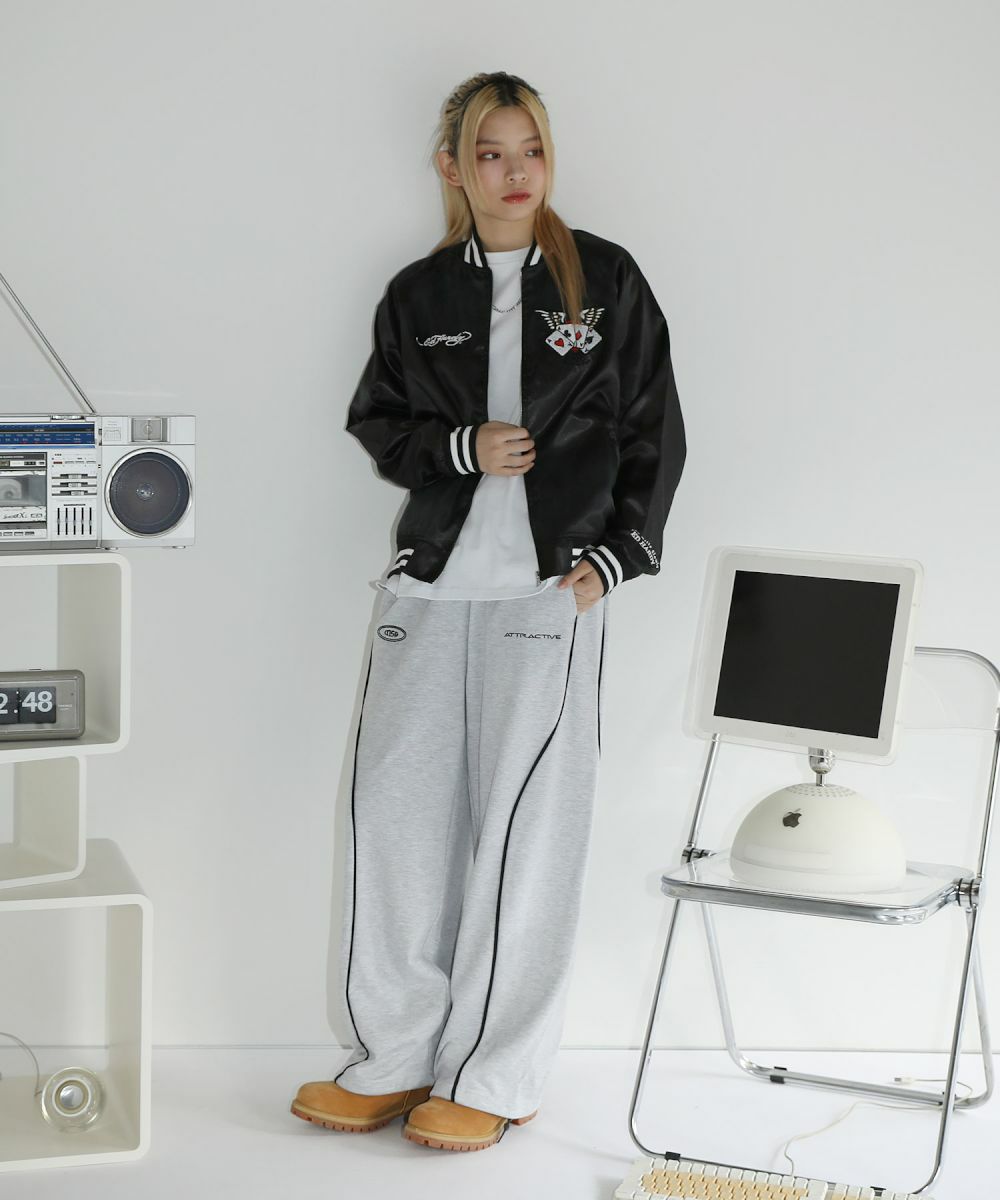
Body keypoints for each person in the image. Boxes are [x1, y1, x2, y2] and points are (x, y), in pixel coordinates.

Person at [291, 70, 686, 1153]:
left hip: (548, 594)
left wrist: (619, 556)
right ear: (453, 167)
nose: (514, 173)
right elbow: (379, 421)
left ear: (549, 158)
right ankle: (395, 1059)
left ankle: (496, 1074)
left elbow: (654, 428)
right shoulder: (419, 295)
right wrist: (459, 447)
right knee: (397, 827)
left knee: (527, 839)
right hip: (429, 587)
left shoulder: (603, 279)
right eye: (490, 153)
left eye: (530, 150)